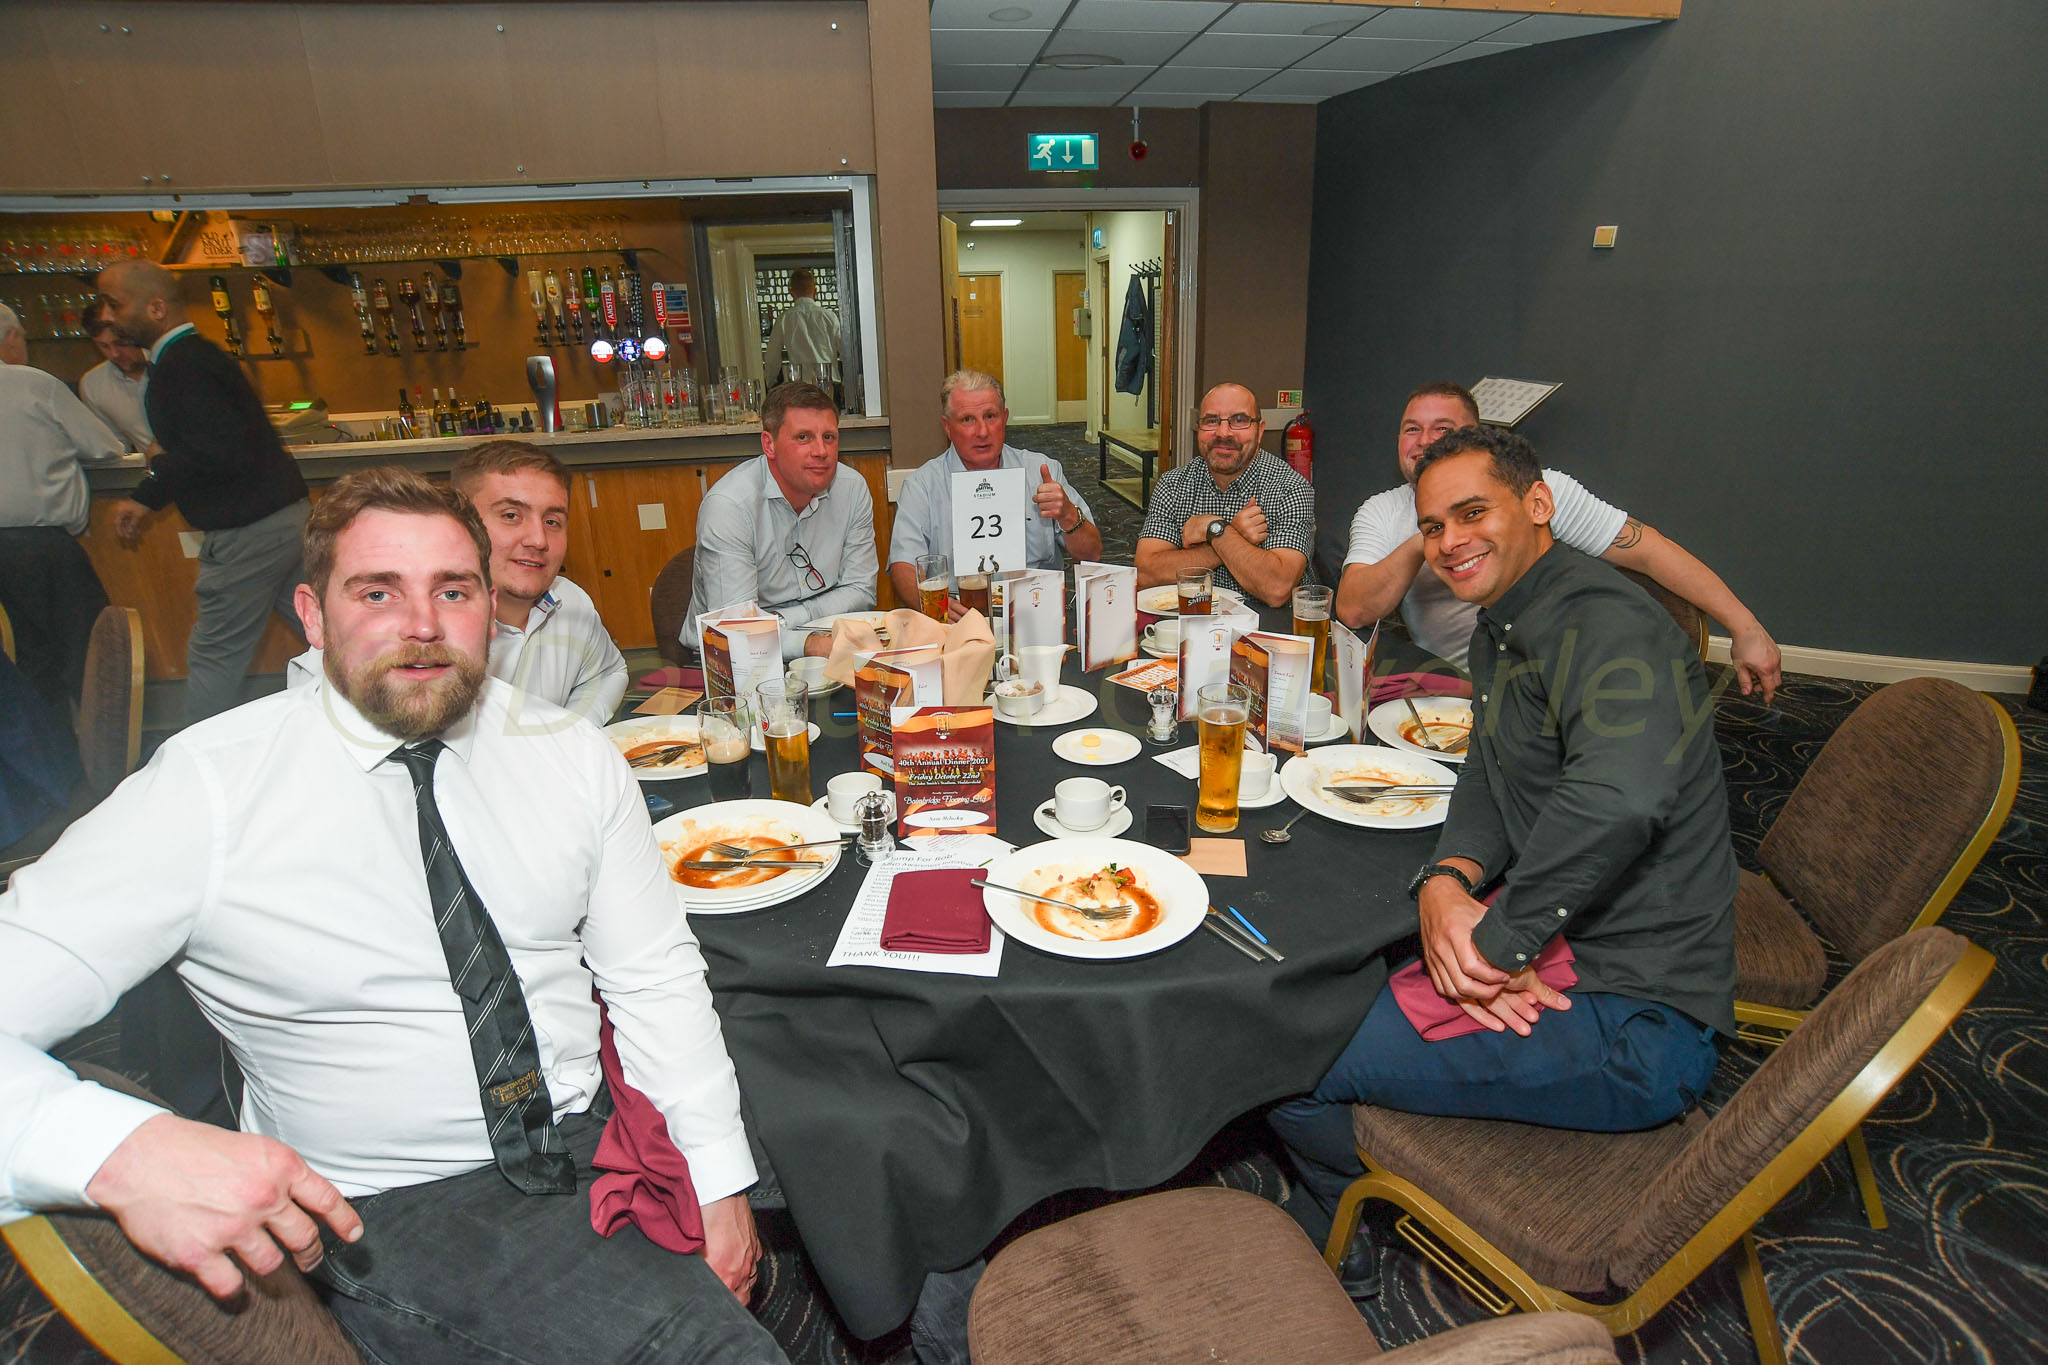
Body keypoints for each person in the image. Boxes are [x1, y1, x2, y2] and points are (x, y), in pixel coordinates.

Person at [0, 467, 785, 1365]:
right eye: (378, 591)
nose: (422, 624)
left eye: (452, 591)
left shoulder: (569, 753)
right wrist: (116, 1148)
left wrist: (717, 1180)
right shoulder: (208, 790)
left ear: (489, 607)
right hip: (402, 1198)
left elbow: (653, 977)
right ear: (313, 613)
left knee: (828, 1158)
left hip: (597, 1125)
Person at [1268, 425, 1736, 1293]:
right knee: (1321, 972)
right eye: (1433, 525)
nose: (1450, 540)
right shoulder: (1507, 623)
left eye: (1472, 512)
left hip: (1637, 1012)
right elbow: (1487, 770)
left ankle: (1343, 1231)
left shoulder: (1607, 621)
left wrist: (1499, 944)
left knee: (1280, 1050)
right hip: (1573, 946)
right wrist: (1448, 880)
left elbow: (1620, 799)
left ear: (1539, 503)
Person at [1337, 382, 1782, 700]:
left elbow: (1649, 551)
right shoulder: (1382, 511)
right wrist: (1431, 533)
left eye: (1443, 430)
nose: (1425, 442)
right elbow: (1353, 609)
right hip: (1449, 690)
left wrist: (1746, 628)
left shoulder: (1534, 490)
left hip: (1553, 684)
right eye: (1411, 429)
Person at [97, 258, 312, 725]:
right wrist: (157, 478)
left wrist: (154, 477)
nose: (107, 316)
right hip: (278, 519)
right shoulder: (192, 358)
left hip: (248, 531)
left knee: (215, 656)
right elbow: (214, 446)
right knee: (326, 634)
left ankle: (189, 760)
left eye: (114, 304)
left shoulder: (183, 366)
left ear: (156, 308)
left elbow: (217, 452)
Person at [286, 441, 629, 728]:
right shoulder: (353, 654)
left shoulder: (571, 602)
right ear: (463, 524)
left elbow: (608, 673)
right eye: (511, 515)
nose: (538, 539)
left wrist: (573, 736)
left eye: (553, 521)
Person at [688, 381, 877, 661]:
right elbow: (736, 632)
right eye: (803, 437)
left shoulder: (852, 488)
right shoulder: (729, 506)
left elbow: (861, 590)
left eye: (829, 437)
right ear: (769, 445)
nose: (821, 451)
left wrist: (785, 620)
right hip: (731, 658)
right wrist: (809, 644)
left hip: (829, 639)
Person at [887, 369, 1101, 612]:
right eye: (967, 420)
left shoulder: (1041, 472)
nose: (982, 432)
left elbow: (1092, 554)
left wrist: (1068, 515)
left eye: (990, 416)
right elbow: (903, 566)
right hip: (960, 610)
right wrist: (938, 609)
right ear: (947, 426)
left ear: (1005, 418)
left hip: (1035, 609)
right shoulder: (922, 486)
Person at [0, 303, 124, 721]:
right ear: (11, 339)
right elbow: (105, 447)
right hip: (42, 546)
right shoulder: (33, 383)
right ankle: (106, 752)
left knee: (24, 663)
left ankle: (52, 754)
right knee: (89, 657)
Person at [1134, 382, 1314, 608]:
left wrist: (1212, 528)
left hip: (1266, 625)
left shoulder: (1290, 488)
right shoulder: (1173, 485)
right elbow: (1146, 574)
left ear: (1260, 431)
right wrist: (1231, 534)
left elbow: (1276, 588)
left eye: (1239, 420)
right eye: (1211, 421)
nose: (1223, 432)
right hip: (1191, 620)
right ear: (1199, 428)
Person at [77, 301, 155, 454]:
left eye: (120, 343)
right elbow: (116, 449)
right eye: (103, 346)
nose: (114, 354)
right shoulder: (93, 385)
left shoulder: (167, 361)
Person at [762, 267, 840, 388]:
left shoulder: (784, 319)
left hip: (800, 387)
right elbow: (846, 352)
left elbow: (772, 357)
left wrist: (769, 383)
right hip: (828, 383)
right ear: (815, 291)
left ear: (791, 292)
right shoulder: (829, 317)